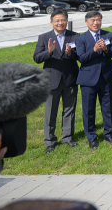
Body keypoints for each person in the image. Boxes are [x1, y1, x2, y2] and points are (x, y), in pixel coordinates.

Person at [33, 9, 80, 153]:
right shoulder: (44, 37)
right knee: (50, 111)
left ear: (67, 21)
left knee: (69, 110)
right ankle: (50, 141)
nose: (60, 23)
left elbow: (80, 56)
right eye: (57, 20)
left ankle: (67, 137)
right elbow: (36, 58)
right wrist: (49, 52)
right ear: (52, 22)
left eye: (63, 20)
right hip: (52, 79)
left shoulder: (75, 36)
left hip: (70, 78)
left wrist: (70, 53)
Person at [76, 11, 112, 149]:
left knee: (107, 107)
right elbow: (81, 58)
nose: (96, 23)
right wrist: (94, 50)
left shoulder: (108, 35)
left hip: (105, 76)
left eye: (98, 20)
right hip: (88, 79)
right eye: (93, 20)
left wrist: (106, 50)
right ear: (86, 22)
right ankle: (92, 137)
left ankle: (109, 134)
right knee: (89, 109)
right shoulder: (81, 38)